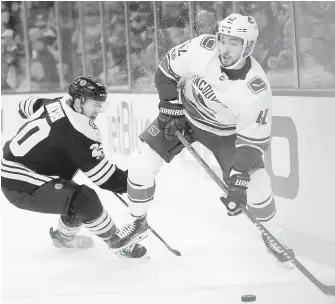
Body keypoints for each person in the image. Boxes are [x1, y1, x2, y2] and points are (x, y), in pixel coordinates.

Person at [110, 14, 295, 265]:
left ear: (248, 46)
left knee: (258, 182)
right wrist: (170, 107)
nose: (224, 48)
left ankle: (273, 235)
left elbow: (252, 142)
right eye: (223, 40)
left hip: (224, 134)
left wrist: (238, 178)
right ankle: (137, 221)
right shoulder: (202, 48)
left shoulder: (256, 88)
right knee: (142, 161)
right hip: (184, 116)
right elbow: (166, 70)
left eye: (233, 43)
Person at [1, 76, 147, 259]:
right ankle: (117, 242)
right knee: (84, 199)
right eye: (94, 103)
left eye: (100, 104)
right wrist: (135, 183)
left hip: (18, 166)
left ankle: (63, 237)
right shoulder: (77, 131)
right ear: (79, 102)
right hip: (17, 180)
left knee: (71, 196)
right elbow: (105, 178)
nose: (98, 109)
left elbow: (26, 105)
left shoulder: (58, 103)